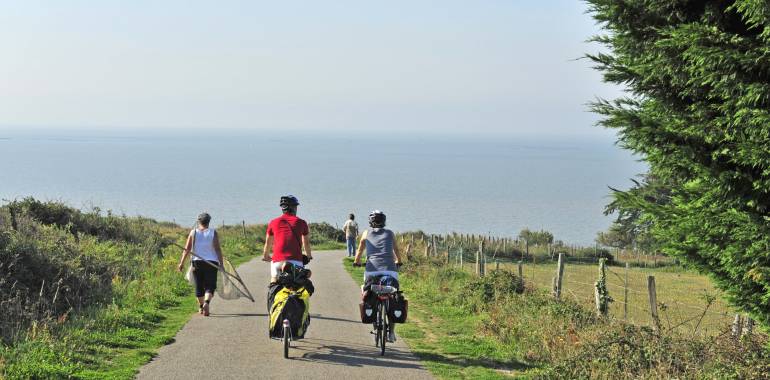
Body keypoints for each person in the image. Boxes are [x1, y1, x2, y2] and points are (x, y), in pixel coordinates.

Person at [353, 210, 402, 342]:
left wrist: (356, 262)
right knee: (392, 298)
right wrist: (399, 261)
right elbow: (396, 250)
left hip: (371, 270)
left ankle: (373, 314)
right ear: (384, 221)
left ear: (371, 222)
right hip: (390, 270)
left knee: (366, 288)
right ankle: (391, 333)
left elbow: (360, 249)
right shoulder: (390, 233)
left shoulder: (366, 233)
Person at [177, 212, 224, 317]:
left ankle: (201, 306)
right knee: (210, 286)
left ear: (199, 221)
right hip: (211, 262)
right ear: (209, 222)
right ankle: (207, 303)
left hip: (196, 262)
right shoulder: (213, 233)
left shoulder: (193, 232)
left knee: (199, 286)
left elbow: (187, 249)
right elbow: (217, 249)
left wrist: (181, 263)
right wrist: (221, 264)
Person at [262, 195, 313, 283]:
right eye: (296, 206)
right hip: (295, 260)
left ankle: (272, 292)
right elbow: (306, 243)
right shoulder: (301, 222)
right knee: (300, 286)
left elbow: (268, 243)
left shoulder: (273, 222)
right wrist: (308, 256)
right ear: (293, 208)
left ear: (283, 208)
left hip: (277, 261)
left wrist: (265, 256)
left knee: (274, 279)